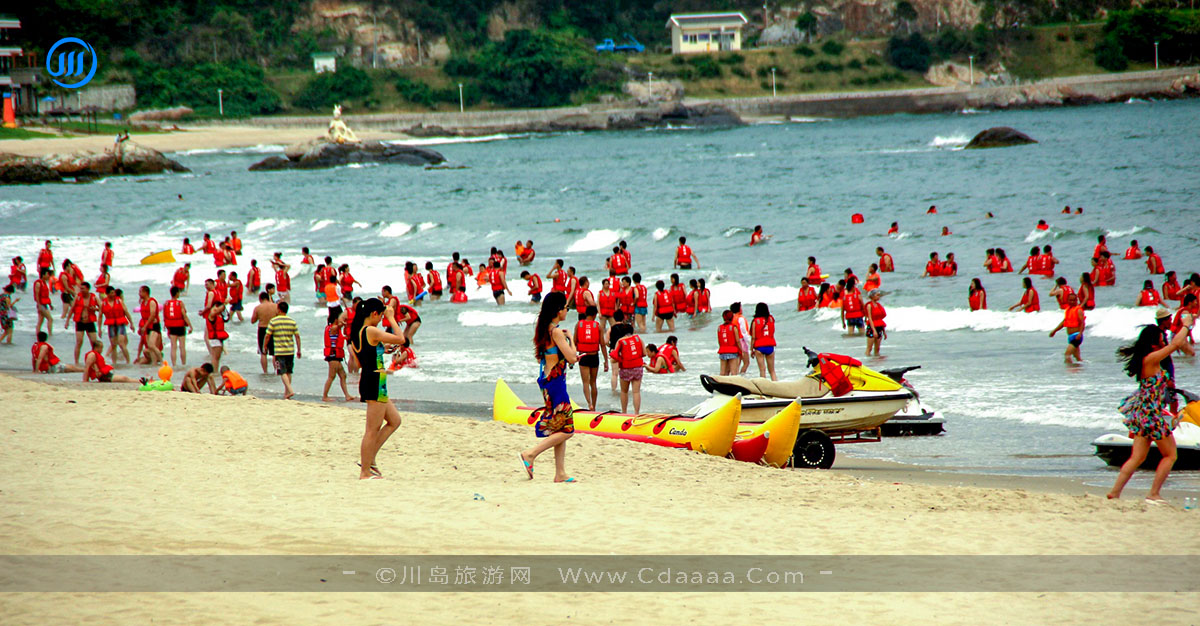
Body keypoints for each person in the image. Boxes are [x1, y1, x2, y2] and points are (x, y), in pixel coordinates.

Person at [1107, 323, 1192, 502]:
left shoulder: (1146, 359)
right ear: (1155, 342)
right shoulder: (1152, 358)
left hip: (1143, 415)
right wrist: (1187, 324)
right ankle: (1153, 493)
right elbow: (1176, 344)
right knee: (1170, 455)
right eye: (1162, 338)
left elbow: (1177, 345)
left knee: (1137, 457)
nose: (1165, 340)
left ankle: (1115, 492)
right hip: (1152, 416)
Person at [520, 292, 578, 483]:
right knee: (568, 430)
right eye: (565, 307)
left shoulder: (546, 329)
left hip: (548, 382)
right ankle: (531, 454)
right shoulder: (556, 332)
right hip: (555, 384)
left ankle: (560, 473)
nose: (567, 310)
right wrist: (571, 338)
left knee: (558, 428)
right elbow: (572, 358)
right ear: (558, 310)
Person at [265, 301, 300, 400]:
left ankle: (290, 390)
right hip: (290, 350)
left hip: (279, 350)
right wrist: (299, 349)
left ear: (279, 310)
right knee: (289, 371)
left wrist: (265, 346)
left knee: (282, 371)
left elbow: (268, 335)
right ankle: (286, 393)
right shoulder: (292, 321)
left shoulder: (273, 321)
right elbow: (297, 336)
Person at [573, 306, 605, 411]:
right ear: (595, 315)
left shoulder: (579, 324)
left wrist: (572, 357)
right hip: (594, 355)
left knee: (585, 382)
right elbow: (602, 344)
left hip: (583, 355)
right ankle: (594, 407)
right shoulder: (598, 326)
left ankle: (589, 403)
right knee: (593, 382)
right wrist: (606, 361)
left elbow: (574, 341)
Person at [612, 320, 645, 414]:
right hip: (638, 367)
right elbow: (644, 353)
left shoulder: (620, 341)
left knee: (624, 391)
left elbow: (615, 356)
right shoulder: (639, 339)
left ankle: (624, 412)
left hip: (625, 368)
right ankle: (636, 413)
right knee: (636, 392)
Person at [64, 281, 101, 364]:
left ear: (88, 289)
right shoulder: (78, 297)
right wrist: (67, 321)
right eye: (81, 288)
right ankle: (76, 361)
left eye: (83, 289)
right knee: (79, 341)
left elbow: (101, 308)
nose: (81, 290)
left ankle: (95, 360)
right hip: (80, 322)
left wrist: (95, 309)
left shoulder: (94, 297)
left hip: (90, 322)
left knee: (94, 342)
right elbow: (72, 309)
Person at [323, 310, 355, 402]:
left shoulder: (334, 328)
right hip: (333, 356)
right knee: (331, 376)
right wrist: (345, 322)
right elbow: (338, 327)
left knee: (343, 375)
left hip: (336, 356)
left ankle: (347, 395)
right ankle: (325, 396)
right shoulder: (332, 328)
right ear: (336, 319)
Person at [1049, 294, 1086, 364]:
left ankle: (1069, 372)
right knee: (1077, 358)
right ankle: (1080, 371)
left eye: (1074, 300)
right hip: (1070, 336)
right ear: (1067, 301)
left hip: (1076, 336)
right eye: (1070, 300)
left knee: (1067, 355)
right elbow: (1064, 322)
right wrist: (1054, 331)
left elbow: (1082, 323)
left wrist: (1080, 334)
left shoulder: (1078, 310)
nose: (1072, 302)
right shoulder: (1068, 310)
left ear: (1076, 300)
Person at [101, 286, 132, 364]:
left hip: (120, 324)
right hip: (111, 325)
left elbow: (126, 312)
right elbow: (100, 316)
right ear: (107, 294)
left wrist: (131, 323)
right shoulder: (103, 303)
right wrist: (99, 328)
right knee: (113, 345)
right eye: (111, 293)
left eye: (114, 292)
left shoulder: (119, 301)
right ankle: (114, 363)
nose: (114, 294)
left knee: (121, 343)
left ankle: (128, 361)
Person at [250, 291, 277, 374]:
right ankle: (276, 370)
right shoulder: (275, 306)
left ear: (260, 299)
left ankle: (265, 372)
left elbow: (253, 321)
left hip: (262, 329)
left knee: (263, 352)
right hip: (273, 329)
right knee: (274, 352)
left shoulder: (258, 308)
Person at [750, 303, 778, 381]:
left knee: (762, 370)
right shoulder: (771, 319)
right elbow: (772, 331)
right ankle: (777, 386)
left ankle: (763, 388)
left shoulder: (755, 321)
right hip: (770, 345)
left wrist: (751, 349)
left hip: (759, 346)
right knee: (772, 371)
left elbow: (753, 337)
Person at [205, 301, 229, 372]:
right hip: (215, 339)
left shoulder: (218, 315)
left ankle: (215, 371)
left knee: (217, 357)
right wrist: (223, 304)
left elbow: (226, 317)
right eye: (219, 308)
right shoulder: (211, 315)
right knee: (215, 357)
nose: (220, 310)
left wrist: (224, 307)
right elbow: (214, 312)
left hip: (218, 339)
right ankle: (215, 372)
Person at [716, 310, 740, 376]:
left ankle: (721, 385)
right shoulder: (733, 327)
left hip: (723, 351)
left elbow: (719, 341)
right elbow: (737, 341)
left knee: (723, 372)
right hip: (732, 351)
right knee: (733, 372)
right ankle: (733, 385)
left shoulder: (719, 328)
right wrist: (741, 351)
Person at [864, 290, 887, 357]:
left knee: (877, 349)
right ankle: (868, 361)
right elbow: (870, 318)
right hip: (872, 328)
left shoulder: (879, 305)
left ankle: (876, 362)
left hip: (879, 327)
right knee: (869, 348)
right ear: (872, 296)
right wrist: (874, 330)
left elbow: (881, 319)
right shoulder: (869, 305)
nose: (878, 297)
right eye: (877, 295)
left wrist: (884, 332)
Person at [32, 268, 54, 337]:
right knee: (50, 319)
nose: (49, 276)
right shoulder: (38, 283)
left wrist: (50, 304)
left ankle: (37, 335)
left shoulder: (44, 283)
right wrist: (39, 305)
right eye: (47, 274)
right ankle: (50, 334)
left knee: (41, 321)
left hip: (45, 304)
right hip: (41, 304)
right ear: (43, 275)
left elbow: (46, 295)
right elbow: (37, 295)